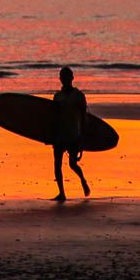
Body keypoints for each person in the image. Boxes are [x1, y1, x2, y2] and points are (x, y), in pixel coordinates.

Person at [51, 66, 91, 201]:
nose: (65, 79)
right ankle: (61, 193)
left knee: (73, 164)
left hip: (73, 134)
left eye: (67, 76)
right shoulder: (57, 96)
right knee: (57, 164)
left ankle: (83, 180)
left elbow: (84, 116)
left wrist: (82, 137)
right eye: (62, 77)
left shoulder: (79, 95)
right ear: (60, 79)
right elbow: (53, 118)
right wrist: (49, 135)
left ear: (72, 78)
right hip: (59, 134)